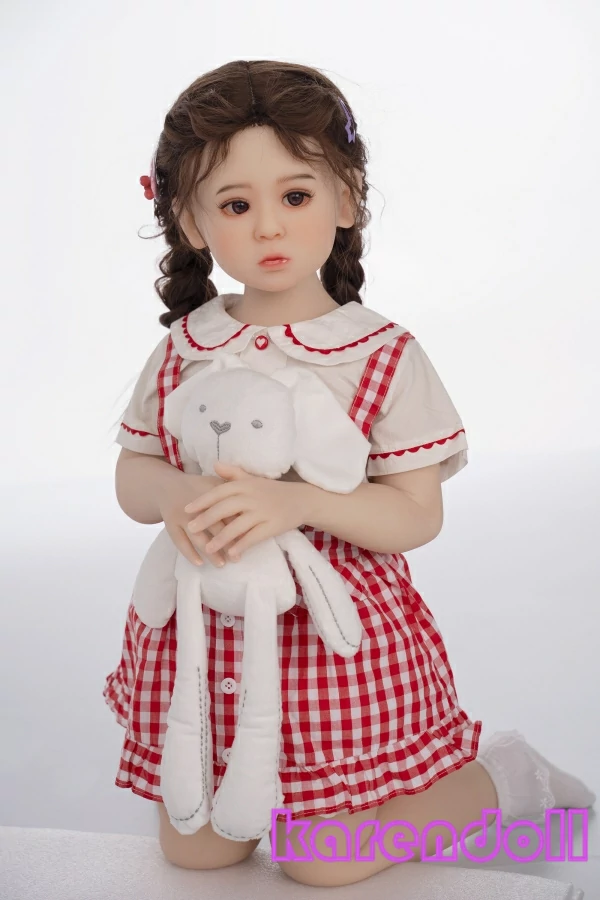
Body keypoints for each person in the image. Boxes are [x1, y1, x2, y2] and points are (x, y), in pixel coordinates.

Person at [103, 59, 595, 888]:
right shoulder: (186, 347)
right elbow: (133, 475)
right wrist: (174, 492)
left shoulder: (379, 354)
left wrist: (294, 502)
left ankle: (502, 779)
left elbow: (415, 514)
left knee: (321, 864)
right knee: (193, 851)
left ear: (346, 197)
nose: (269, 227)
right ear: (189, 220)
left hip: (331, 642)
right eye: (236, 205)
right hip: (201, 632)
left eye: (295, 195)